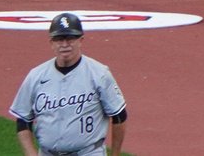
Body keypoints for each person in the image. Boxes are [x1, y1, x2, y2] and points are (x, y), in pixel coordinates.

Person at [8, 14, 127, 156]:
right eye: (59, 39)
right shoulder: (36, 76)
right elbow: (23, 120)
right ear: (51, 42)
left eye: (70, 38)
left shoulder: (99, 74)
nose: (65, 45)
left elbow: (120, 116)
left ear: (80, 40)